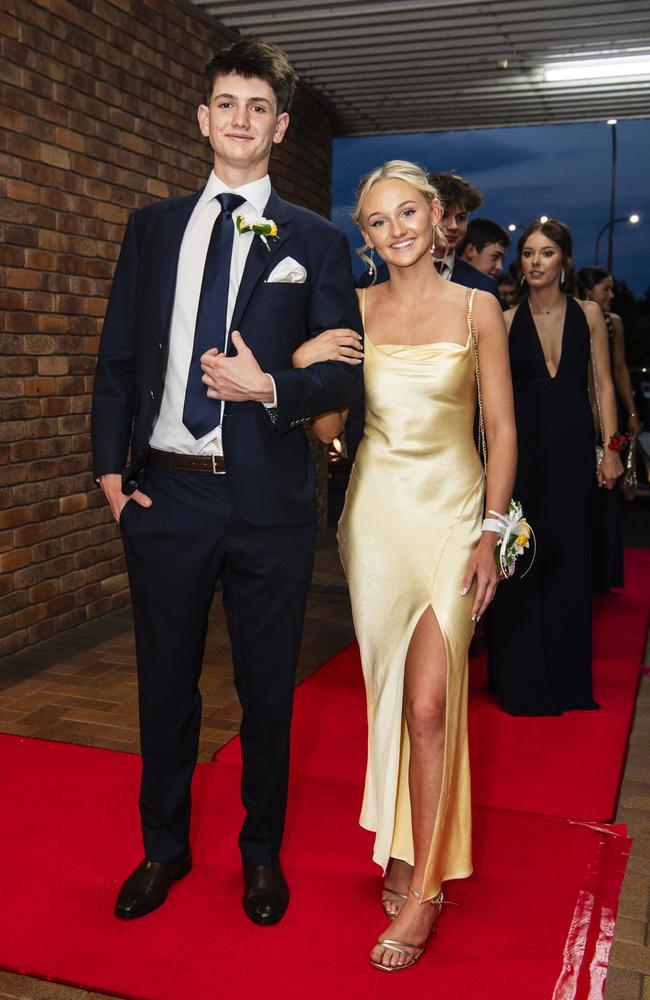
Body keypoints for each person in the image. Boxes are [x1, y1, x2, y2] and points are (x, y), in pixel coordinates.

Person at [91, 38, 362, 926]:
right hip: (166, 495)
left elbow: (345, 377)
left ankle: (260, 855)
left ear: (278, 127)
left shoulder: (316, 242)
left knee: (266, 691)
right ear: (204, 117)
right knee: (164, 684)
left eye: (258, 108)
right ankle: (162, 848)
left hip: (268, 504)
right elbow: (120, 362)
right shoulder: (152, 227)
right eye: (225, 104)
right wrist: (108, 472)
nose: (239, 120)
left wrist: (271, 385)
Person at [299, 160, 516, 971]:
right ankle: (402, 840)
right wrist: (312, 354)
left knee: (430, 703)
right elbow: (327, 429)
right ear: (367, 236)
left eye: (407, 213)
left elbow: (500, 426)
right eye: (378, 222)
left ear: (437, 216)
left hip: (457, 520)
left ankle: (424, 886)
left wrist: (492, 530)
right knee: (390, 693)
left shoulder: (478, 308)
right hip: (377, 523)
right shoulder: (354, 310)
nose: (395, 231)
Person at [488, 221, 623, 716]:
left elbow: (604, 385)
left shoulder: (590, 315)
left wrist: (610, 449)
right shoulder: (502, 320)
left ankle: (567, 680)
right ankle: (518, 678)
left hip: (571, 452)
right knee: (520, 558)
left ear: (564, 259)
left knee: (568, 558)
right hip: (521, 452)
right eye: (527, 253)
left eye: (546, 253)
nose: (536, 262)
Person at [578, 266, 642, 593]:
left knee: (607, 491)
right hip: (575, 412)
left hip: (608, 413)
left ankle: (603, 573)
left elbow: (617, 369)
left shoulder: (612, 323)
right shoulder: (571, 316)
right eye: (606, 289)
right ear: (589, 293)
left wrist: (631, 411)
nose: (611, 295)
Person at [358, 171, 499, 300]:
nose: (453, 226)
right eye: (445, 216)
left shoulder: (484, 288)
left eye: (461, 217)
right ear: (433, 213)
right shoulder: (369, 286)